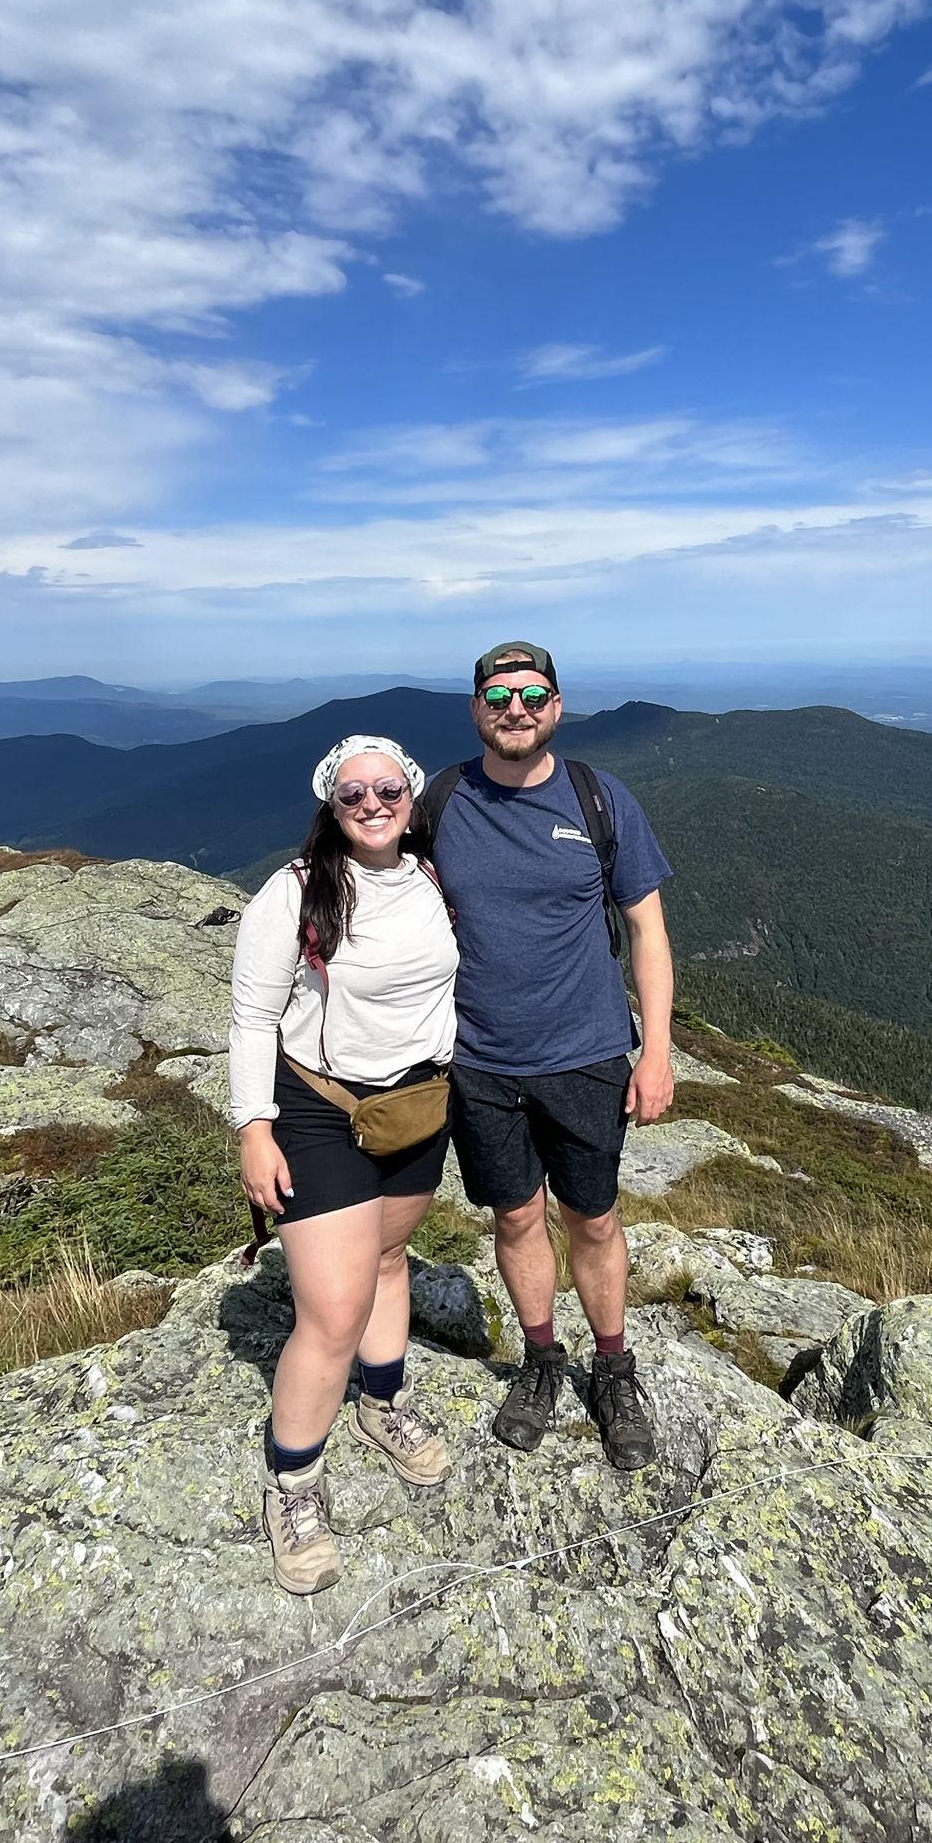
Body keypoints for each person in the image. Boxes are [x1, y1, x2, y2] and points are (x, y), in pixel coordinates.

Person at [428, 642, 676, 1471]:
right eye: (498, 696)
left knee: (595, 1218)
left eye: (533, 694)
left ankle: (613, 1369)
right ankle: (542, 1363)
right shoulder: (440, 801)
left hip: (588, 1053)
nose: (516, 709)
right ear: (475, 709)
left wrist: (658, 1051)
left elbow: (647, 929)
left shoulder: (601, 801)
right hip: (479, 1060)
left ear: (558, 707)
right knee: (514, 1216)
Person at [228, 735, 460, 1595]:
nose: (373, 803)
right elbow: (253, 1020)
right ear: (331, 802)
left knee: (390, 1259)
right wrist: (255, 1128)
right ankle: (292, 1485)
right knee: (332, 1309)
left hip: (418, 1106)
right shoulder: (291, 894)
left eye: (388, 788)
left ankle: (383, 1401)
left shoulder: (432, 878)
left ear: (411, 794)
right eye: (353, 792)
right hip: (319, 1113)